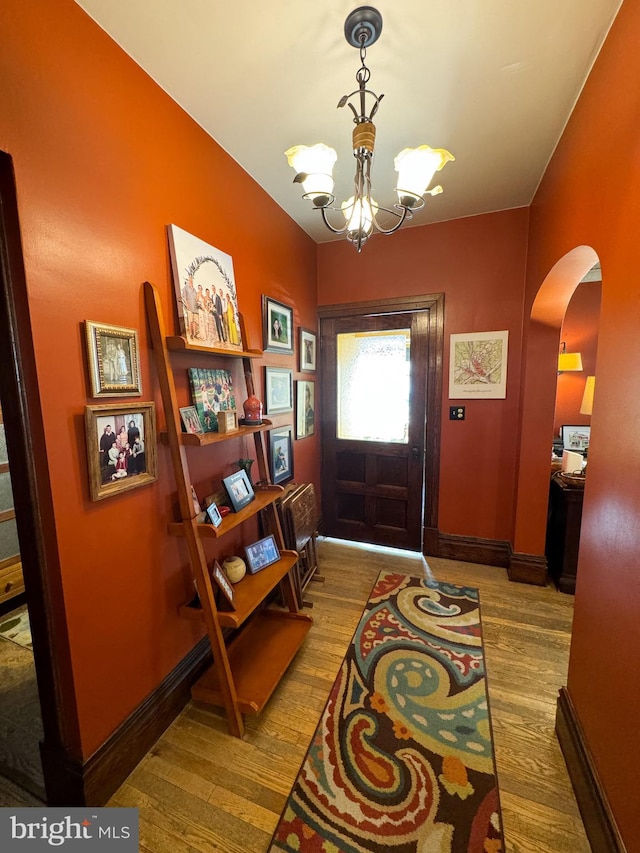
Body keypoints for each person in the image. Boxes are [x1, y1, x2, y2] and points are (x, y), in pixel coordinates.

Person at [181, 274, 200, 340]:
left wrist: (198, 302)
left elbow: (196, 298)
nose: (191, 281)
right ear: (188, 281)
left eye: (191, 280)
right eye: (189, 280)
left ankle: (195, 335)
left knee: (195, 321)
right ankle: (191, 334)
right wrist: (187, 305)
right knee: (191, 321)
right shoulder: (185, 288)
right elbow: (184, 297)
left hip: (195, 308)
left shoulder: (194, 289)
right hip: (189, 308)